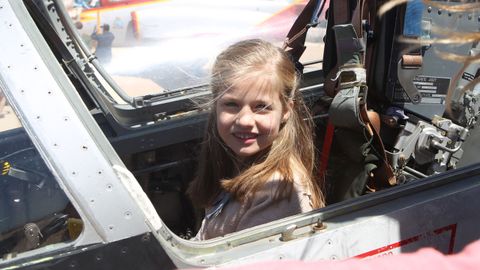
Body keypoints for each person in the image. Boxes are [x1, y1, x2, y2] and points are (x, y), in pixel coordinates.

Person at [188, 39, 325, 240]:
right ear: (215, 105)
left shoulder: (278, 194)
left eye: (261, 107)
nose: (244, 120)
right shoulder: (237, 162)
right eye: (231, 104)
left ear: (287, 110)